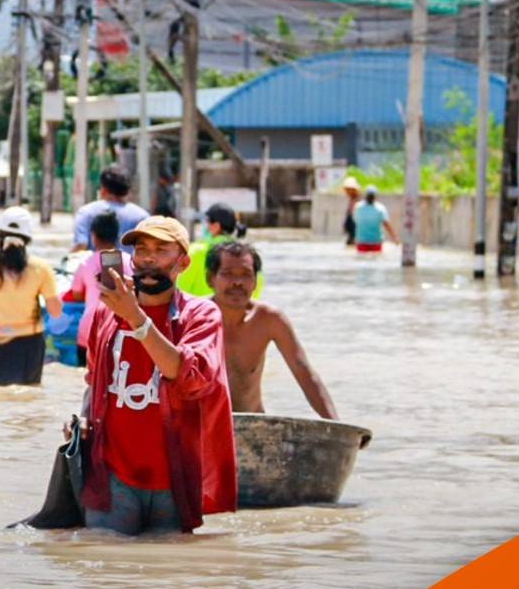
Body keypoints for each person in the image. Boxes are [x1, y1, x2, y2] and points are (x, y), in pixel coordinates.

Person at [84, 215, 236, 535]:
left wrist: (136, 319)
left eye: (161, 250)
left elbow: (188, 376)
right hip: (113, 476)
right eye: (141, 249)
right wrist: (83, 418)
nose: (149, 258)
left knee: (167, 576)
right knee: (103, 565)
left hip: (173, 479)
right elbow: (94, 376)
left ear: (183, 262)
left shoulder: (202, 314)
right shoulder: (107, 312)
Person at [207, 241, 338, 419]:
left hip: (253, 426)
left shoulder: (269, 320)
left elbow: (303, 372)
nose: (237, 282)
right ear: (210, 279)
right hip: (206, 426)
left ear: (255, 282)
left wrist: (336, 425)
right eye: (228, 274)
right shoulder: (195, 318)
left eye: (246, 275)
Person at [0, 206, 61, 386]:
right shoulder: (41, 268)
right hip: (31, 345)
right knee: (29, 398)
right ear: (28, 239)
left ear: (0, 235)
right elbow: (55, 312)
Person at [62, 210, 132, 371]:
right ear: (117, 235)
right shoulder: (130, 262)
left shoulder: (85, 263)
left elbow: (77, 293)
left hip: (89, 333)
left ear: (93, 235)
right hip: (120, 333)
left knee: (87, 384)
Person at [179, 202, 260, 298]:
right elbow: (257, 286)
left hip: (199, 311)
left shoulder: (195, 251)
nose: (205, 227)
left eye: (207, 222)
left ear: (216, 226)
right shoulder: (246, 254)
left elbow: (180, 288)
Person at [72, 165, 150, 256]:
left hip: (95, 268)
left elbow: (81, 246)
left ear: (103, 190)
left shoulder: (86, 212)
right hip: (132, 269)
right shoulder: (143, 216)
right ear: (128, 191)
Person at [353, 185, 399, 253]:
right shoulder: (380, 208)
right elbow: (386, 224)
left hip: (368, 242)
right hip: (370, 242)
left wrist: (395, 237)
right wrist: (395, 237)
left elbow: (356, 221)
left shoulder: (358, 207)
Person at [340, 175, 363, 247]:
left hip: (355, 231)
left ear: (353, 189)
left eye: (348, 189)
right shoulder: (351, 199)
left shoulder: (358, 200)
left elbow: (356, 218)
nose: (347, 191)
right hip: (351, 232)